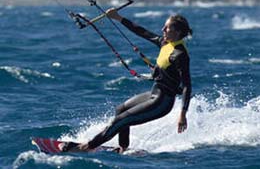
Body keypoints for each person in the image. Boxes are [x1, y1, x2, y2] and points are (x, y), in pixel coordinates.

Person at [59, 9, 192, 153]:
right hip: (155, 93)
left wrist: (183, 114)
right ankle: (124, 148)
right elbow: (141, 31)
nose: (163, 30)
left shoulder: (180, 54)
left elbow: (187, 86)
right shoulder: (165, 43)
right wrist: (118, 18)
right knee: (120, 110)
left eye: (167, 28)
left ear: (177, 32)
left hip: (163, 102)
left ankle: (86, 147)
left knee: (120, 120)